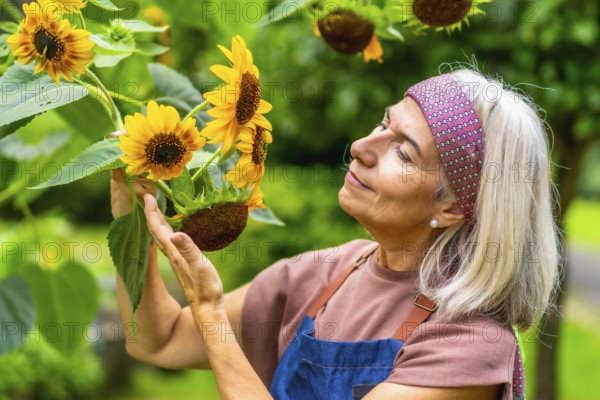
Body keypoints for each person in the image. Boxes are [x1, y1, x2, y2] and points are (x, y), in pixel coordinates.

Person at [111, 68, 559, 400]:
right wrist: (129, 210)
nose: (362, 147)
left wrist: (209, 311)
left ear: (453, 206)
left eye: (402, 152)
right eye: (384, 124)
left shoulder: (467, 344)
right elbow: (158, 338)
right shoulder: (327, 274)